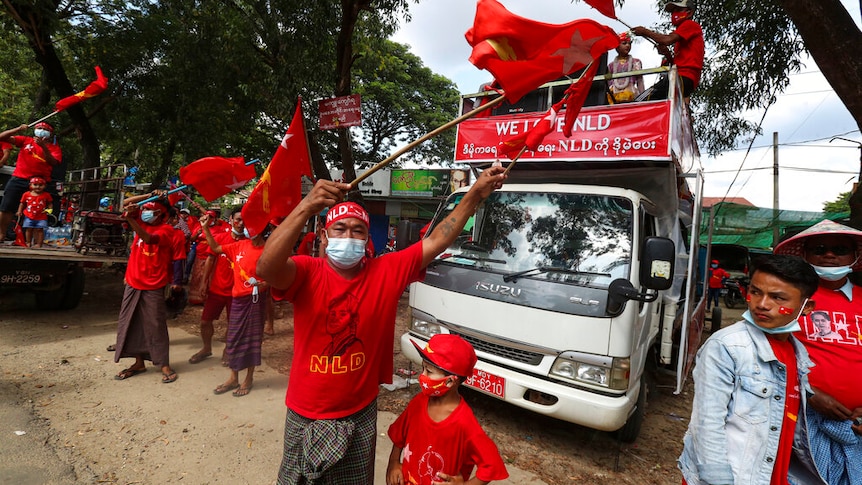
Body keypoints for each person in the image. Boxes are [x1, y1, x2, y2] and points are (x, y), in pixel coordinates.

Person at [257, 165, 506, 484]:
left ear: (367, 236)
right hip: (307, 412)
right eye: (340, 229)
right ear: (324, 235)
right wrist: (306, 206)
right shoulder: (307, 272)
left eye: (357, 230)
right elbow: (266, 267)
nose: (349, 236)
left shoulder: (386, 271)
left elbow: (438, 240)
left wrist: (475, 194)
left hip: (360, 410)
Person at [678, 254, 825, 485]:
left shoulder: (798, 353)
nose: (762, 304)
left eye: (778, 297)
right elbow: (707, 423)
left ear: (807, 307)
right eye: (756, 292)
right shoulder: (727, 346)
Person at [774, 219, 862, 484]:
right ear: (805, 255)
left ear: (855, 256)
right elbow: (774, 351)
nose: (829, 255)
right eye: (820, 248)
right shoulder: (791, 298)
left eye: (839, 249)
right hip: (802, 413)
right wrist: (809, 392)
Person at [386, 334, 509, 485]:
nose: (422, 376)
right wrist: (393, 462)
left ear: (450, 381)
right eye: (423, 368)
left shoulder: (464, 421)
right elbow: (400, 434)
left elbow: (491, 464)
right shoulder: (418, 402)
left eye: (429, 372)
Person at [113, 192, 180, 384]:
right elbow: (123, 203)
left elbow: (149, 239)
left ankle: (163, 363)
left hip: (154, 284)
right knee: (132, 322)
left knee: (155, 324)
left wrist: (131, 220)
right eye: (145, 209)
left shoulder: (167, 230)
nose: (145, 213)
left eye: (150, 211)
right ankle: (138, 362)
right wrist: (149, 194)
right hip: (134, 281)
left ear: (161, 214)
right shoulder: (139, 219)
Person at [200, 212, 268, 397]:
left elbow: (279, 272)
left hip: (255, 300)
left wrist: (266, 283)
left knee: (253, 339)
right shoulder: (238, 245)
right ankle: (233, 377)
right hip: (237, 298)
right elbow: (215, 247)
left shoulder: (268, 250)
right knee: (234, 338)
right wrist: (206, 228)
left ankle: (249, 378)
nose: (245, 227)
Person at [188, 208, 246, 365]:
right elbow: (210, 259)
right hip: (217, 289)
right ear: (231, 220)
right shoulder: (219, 238)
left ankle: (228, 350)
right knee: (205, 321)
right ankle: (206, 348)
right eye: (238, 219)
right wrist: (204, 282)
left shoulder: (248, 242)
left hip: (237, 292)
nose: (241, 223)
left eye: (244, 220)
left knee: (233, 324)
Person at [0, 123, 63, 243]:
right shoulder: (25, 140)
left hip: (39, 183)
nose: (41, 131)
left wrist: (43, 147)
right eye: (39, 128)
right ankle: (1, 234)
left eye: (45, 129)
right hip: (19, 178)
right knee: (6, 207)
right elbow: (2, 137)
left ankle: (28, 240)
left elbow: (53, 162)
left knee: (37, 212)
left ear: (50, 134)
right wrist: (18, 128)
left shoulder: (54, 148)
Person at [632, 0, 704, 102]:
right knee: (655, 101)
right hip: (684, 79)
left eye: (679, 10)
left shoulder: (690, 25)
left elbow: (666, 40)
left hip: (682, 77)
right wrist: (667, 53)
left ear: (690, 12)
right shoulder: (683, 36)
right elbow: (675, 63)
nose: (675, 14)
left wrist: (645, 31)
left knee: (640, 101)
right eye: (673, 11)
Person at [607, 31, 645, 103]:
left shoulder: (636, 62)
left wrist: (643, 97)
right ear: (617, 47)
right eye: (624, 43)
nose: (628, 45)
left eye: (629, 43)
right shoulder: (611, 65)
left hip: (631, 94)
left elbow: (640, 80)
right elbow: (609, 83)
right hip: (614, 96)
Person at [16, 176, 53, 248]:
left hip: (41, 216)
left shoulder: (46, 195)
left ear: (44, 186)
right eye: (35, 184)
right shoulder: (26, 194)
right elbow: (22, 203)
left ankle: (39, 244)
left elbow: (50, 203)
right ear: (30, 185)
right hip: (29, 215)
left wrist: (49, 210)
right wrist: (19, 211)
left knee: (40, 229)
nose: (38, 187)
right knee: (29, 229)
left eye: (40, 185)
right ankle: (28, 242)